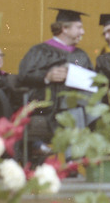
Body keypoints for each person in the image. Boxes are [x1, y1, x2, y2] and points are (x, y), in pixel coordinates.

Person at [17, 8, 95, 163]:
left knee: (83, 103)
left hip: (80, 103)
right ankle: (75, 159)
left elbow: (94, 80)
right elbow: (24, 75)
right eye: (79, 27)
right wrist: (47, 76)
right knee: (73, 104)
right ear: (64, 28)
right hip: (49, 104)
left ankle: (79, 158)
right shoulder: (40, 51)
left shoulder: (81, 55)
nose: (83, 32)